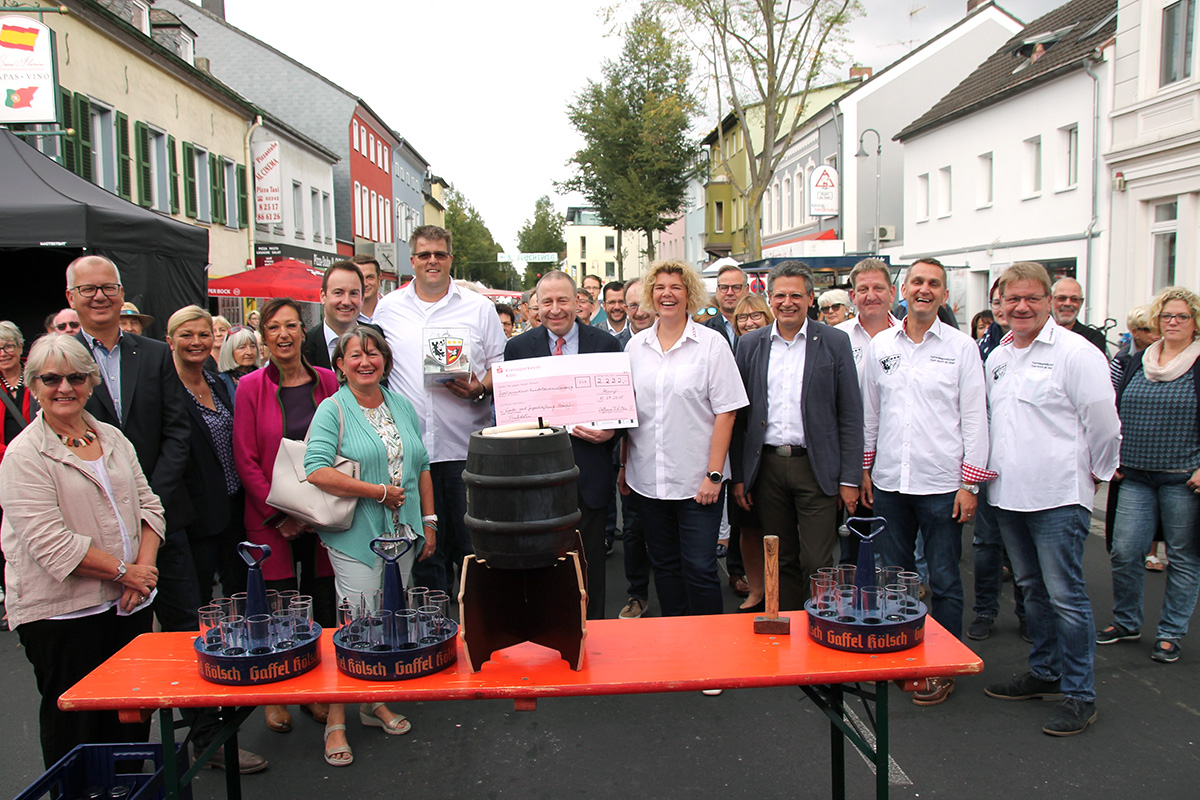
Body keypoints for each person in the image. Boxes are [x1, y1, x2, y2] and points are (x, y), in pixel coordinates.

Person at [0, 334, 163, 768]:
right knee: (79, 730)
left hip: (127, 604)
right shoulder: (24, 455)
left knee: (130, 719)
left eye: (75, 377)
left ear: (90, 383)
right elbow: (52, 545)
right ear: (33, 384)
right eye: (51, 378)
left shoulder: (110, 436)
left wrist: (143, 570)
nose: (64, 387)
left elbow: (151, 507)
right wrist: (125, 572)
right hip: (64, 616)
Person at [983, 261, 1120, 737]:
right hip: (1007, 495)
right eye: (1012, 299)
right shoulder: (998, 357)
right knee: (1030, 589)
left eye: (1032, 299)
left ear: (1048, 301)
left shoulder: (1077, 354)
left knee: (1067, 597)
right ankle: (1044, 672)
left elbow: (1104, 423)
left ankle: (1081, 694)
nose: (1021, 307)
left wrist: (1094, 477)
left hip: (1059, 497)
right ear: (1000, 303)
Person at [861, 258, 993, 706]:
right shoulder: (881, 346)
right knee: (896, 578)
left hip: (941, 484)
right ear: (904, 288)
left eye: (933, 284)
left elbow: (976, 418)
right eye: (917, 281)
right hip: (891, 483)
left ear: (943, 294)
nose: (924, 289)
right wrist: (864, 471)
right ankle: (902, 653)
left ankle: (944, 664)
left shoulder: (961, 348)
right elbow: (870, 413)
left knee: (945, 580)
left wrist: (969, 484)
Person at [305, 326, 435, 766]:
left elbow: (421, 466)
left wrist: (429, 521)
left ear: (385, 360)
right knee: (355, 623)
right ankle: (335, 720)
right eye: (355, 354)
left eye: (373, 353)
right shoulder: (332, 409)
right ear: (339, 365)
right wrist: (376, 492)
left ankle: (370, 702)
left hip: (403, 536)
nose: (365, 361)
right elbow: (315, 470)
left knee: (386, 620)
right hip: (357, 536)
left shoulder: (401, 405)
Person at [373, 225, 507, 594]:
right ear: (412, 260)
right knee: (425, 554)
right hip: (412, 453)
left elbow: (500, 363)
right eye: (424, 255)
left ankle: (475, 631)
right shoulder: (387, 310)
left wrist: (479, 387)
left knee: (471, 551)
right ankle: (435, 633)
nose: (432, 261)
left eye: (440, 254)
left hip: (465, 447)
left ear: (450, 259)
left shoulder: (479, 308)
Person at [233, 297, 339, 736]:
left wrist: (316, 513)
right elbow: (246, 458)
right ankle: (275, 693)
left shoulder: (330, 382)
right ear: (264, 337)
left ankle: (318, 691)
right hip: (270, 517)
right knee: (274, 606)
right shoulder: (249, 387)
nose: (283, 335)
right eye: (274, 327)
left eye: (291, 326)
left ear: (303, 332)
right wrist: (282, 516)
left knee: (321, 602)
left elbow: (343, 444)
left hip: (324, 513)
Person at [619, 260, 748, 617]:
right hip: (648, 480)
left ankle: (710, 651)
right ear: (650, 294)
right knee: (665, 566)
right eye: (659, 287)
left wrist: (714, 474)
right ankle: (675, 644)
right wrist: (624, 465)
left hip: (698, 483)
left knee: (701, 568)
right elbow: (630, 414)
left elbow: (728, 412)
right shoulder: (635, 348)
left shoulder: (711, 344)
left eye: (676, 287)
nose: (667, 294)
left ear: (689, 294)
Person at [731, 261, 863, 611]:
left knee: (817, 559)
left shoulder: (834, 342)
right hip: (768, 467)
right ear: (768, 298)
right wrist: (741, 477)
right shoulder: (750, 345)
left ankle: (821, 622)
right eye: (779, 295)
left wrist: (849, 478)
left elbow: (850, 414)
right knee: (780, 555)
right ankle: (788, 627)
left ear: (809, 298)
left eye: (795, 295)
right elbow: (740, 418)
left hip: (816, 468)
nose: (787, 302)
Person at [506, 271, 621, 619]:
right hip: (536, 477)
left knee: (590, 569)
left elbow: (621, 406)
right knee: (541, 565)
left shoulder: (605, 344)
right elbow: (511, 416)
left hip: (590, 473)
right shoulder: (517, 348)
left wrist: (611, 432)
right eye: (547, 302)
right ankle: (547, 634)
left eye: (563, 300)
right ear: (535, 306)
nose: (555, 309)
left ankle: (595, 637)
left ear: (579, 302)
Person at [1097, 287, 1200, 665]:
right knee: (1125, 552)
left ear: (1195, 323)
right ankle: (1127, 623)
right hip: (1136, 475)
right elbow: (1114, 410)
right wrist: (1114, 455)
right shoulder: (1138, 361)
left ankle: (1171, 633)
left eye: (1181, 317)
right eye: (1166, 316)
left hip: (1183, 478)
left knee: (1184, 557)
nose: (1173, 323)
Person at [166, 306, 246, 607]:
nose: (196, 341)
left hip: (233, 507)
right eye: (186, 335)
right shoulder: (165, 389)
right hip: (193, 514)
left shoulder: (216, 382)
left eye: (204, 334)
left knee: (239, 595)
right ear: (170, 340)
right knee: (195, 602)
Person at [971, 279, 1026, 642]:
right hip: (988, 464)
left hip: (1026, 467)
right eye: (1001, 302)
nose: (1008, 308)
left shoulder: (1032, 349)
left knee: (1024, 550)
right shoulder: (985, 351)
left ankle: (1029, 614)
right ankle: (985, 611)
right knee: (986, 545)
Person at [729, 294, 774, 611]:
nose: (749, 322)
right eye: (742, 318)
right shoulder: (732, 355)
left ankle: (777, 591)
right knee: (747, 527)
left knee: (778, 530)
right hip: (744, 453)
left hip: (773, 454)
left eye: (756, 315)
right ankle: (756, 589)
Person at [615, 278, 655, 620]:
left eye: (644, 303)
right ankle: (637, 595)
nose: (639, 311)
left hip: (675, 459)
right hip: (634, 454)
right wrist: (623, 463)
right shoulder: (616, 346)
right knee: (633, 529)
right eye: (632, 305)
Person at [0, 320, 36, 620]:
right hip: (4, 469)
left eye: (8, 345)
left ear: (20, 347)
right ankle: (13, 596)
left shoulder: (38, 375)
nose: (3, 352)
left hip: (41, 464)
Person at [303, 261, 364, 370]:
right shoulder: (304, 346)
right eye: (338, 293)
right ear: (323, 296)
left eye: (353, 293)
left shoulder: (379, 339)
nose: (346, 302)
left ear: (362, 298)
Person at [1051, 278, 1108, 355]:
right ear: (1050, 300)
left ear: (1081, 303)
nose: (1068, 303)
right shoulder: (1036, 333)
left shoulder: (1093, 338)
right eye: (1062, 298)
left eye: (1074, 299)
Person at [706, 264, 747, 349]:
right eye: (724, 287)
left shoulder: (758, 326)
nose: (730, 292)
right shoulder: (704, 330)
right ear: (717, 292)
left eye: (736, 287)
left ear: (747, 290)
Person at [217, 324, 261, 396]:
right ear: (230, 351)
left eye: (252, 346)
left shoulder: (267, 378)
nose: (249, 352)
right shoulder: (220, 383)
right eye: (242, 347)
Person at [350, 254, 383, 322]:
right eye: (359, 278)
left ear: (379, 279)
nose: (365, 283)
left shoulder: (392, 311)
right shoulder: (344, 316)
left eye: (369, 277)